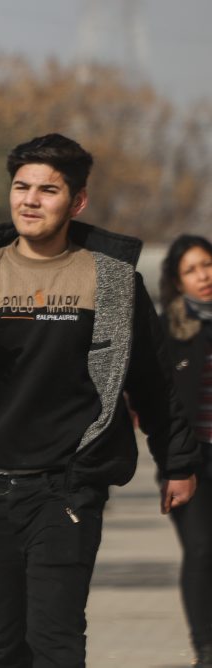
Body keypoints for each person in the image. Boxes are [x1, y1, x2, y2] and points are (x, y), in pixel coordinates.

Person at [0, 133, 198, 668]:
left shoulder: (112, 280)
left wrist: (177, 461)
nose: (30, 200)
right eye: (20, 187)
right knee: (5, 644)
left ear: (76, 201)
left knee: (55, 641)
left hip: (68, 487)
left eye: (47, 190)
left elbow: (150, 380)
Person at [159, 234, 212, 666]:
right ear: (177, 282)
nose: (204, 276)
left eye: (208, 265)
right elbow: (158, 403)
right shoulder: (168, 330)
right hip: (188, 461)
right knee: (200, 550)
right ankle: (206, 649)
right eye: (191, 270)